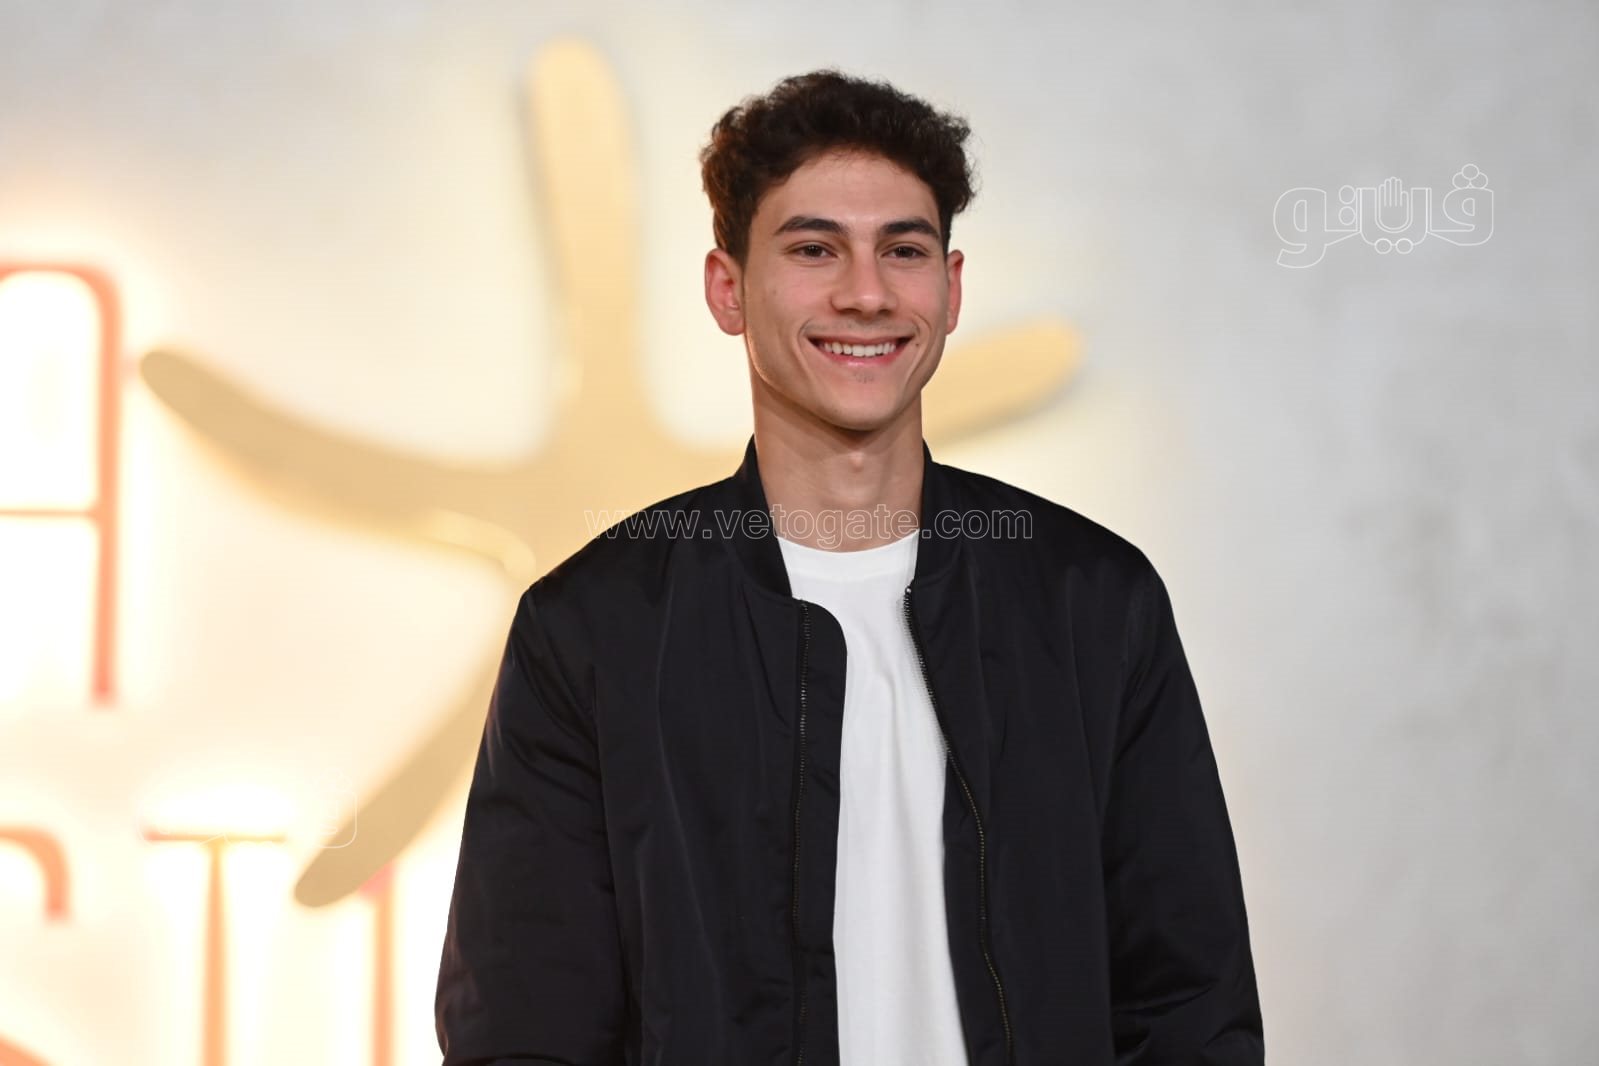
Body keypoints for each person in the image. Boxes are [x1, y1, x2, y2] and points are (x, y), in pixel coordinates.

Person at [435, 70, 1264, 1066]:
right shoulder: (593, 628)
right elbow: (525, 1025)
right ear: (727, 289)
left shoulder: (1092, 601)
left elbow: (1189, 1007)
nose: (865, 293)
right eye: (814, 249)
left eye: (902, 250)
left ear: (951, 290)